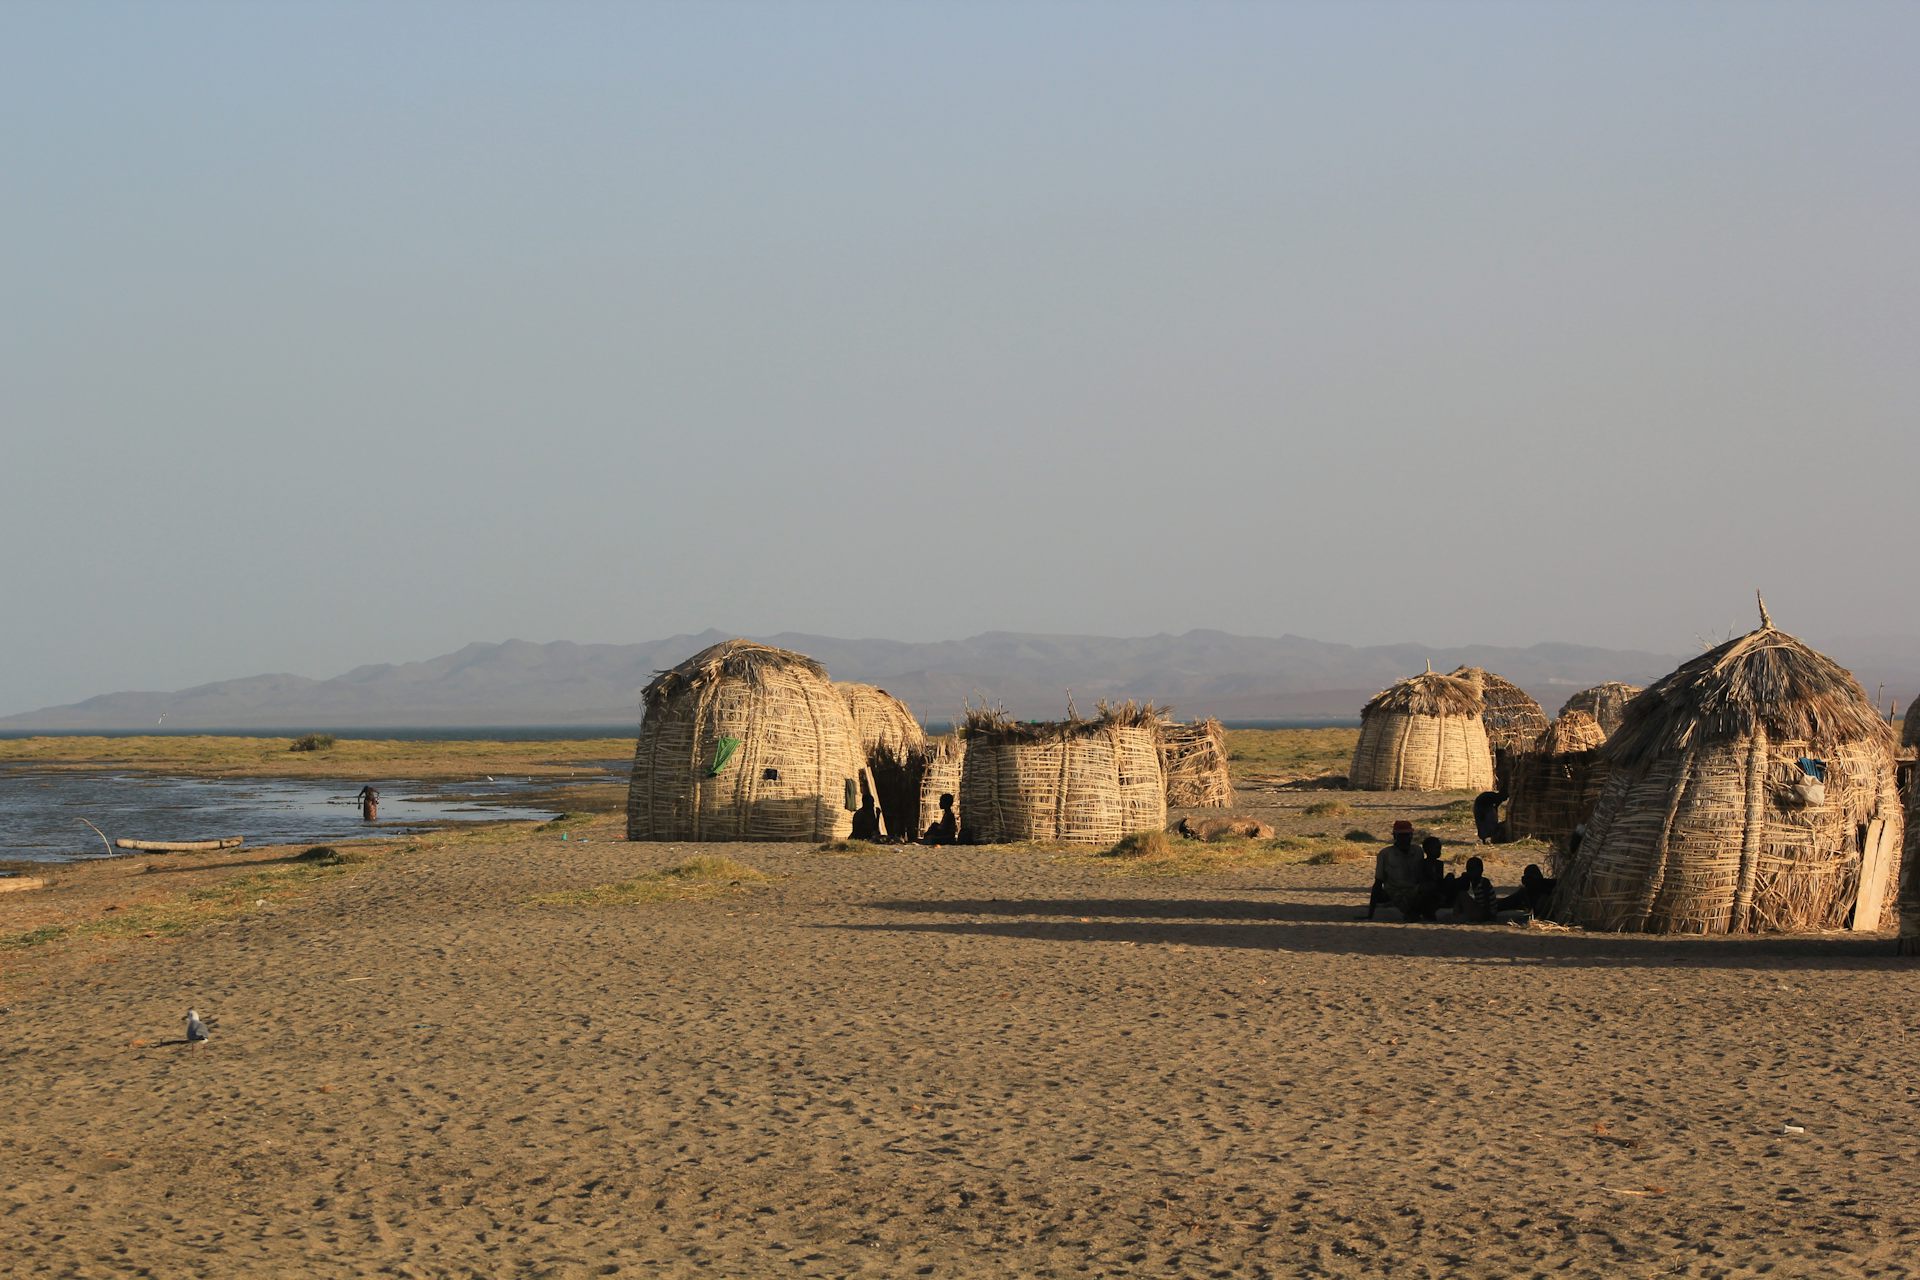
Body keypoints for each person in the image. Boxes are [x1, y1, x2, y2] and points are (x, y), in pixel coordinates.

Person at [1366, 820, 1437, 921]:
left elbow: (1422, 875)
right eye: (1401, 835)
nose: (1405, 839)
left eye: (1407, 835)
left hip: (1414, 890)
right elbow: (1378, 882)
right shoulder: (1385, 854)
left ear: (1411, 836)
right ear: (1395, 836)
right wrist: (1370, 914)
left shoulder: (1417, 851)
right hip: (1394, 891)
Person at [1453, 855, 1497, 922]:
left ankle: (1456, 916)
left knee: (1462, 894)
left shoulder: (1484, 882)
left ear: (1481, 870)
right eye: (1469, 870)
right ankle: (1458, 915)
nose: (1471, 872)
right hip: (1482, 911)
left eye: (1473, 870)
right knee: (1461, 894)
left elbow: (1486, 902)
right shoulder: (1474, 882)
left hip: (1484, 914)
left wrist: (1487, 917)